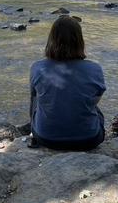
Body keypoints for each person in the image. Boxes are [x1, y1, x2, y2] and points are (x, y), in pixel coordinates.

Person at [29, 15, 106, 150]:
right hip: (88, 139)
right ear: (80, 41)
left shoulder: (37, 67)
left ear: (51, 40)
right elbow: (95, 101)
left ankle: (33, 133)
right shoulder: (95, 69)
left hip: (46, 138)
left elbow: (34, 101)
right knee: (94, 107)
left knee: (36, 97)